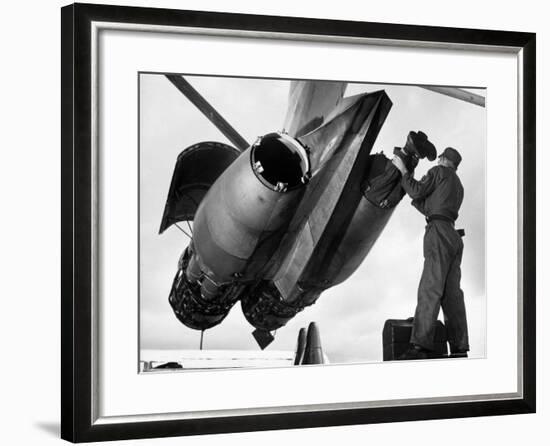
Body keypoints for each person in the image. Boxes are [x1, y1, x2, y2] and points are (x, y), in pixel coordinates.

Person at [392, 146, 470, 359]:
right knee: (452, 295)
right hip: (454, 236)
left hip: (438, 234)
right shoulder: (458, 185)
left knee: (430, 288)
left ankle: (420, 347)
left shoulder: (438, 172)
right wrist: (414, 194)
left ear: (443, 159)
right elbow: (429, 206)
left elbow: (417, 191)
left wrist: (403, 172)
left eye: (439, 159)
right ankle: (459, 347)